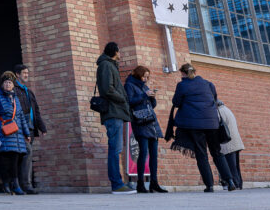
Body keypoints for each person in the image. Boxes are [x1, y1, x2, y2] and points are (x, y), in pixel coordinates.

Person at [165, 62, 236, 192]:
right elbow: (214, 99)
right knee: (217, 152)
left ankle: (209, 185)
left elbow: (176, 102)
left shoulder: (182, 85)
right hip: (212, 124)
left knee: (201, 154)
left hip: (195, 125)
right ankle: (230, 181)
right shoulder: (209, 84)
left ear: (183, 73)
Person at [95, 41, 134, 194]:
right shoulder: (106, 65)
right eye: (119, 51)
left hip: (116, 112)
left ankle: (118, 183)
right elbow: (107, 89)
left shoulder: (110, 65)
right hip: (113, 112)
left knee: (116, 149)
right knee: (115, 149)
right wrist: (123, 99)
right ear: (115, 52)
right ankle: (117, 184)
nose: (120, 54)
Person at [124, 65, 167, 193]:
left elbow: (152, 105)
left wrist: (152, 98)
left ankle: (154, 183)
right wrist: (144, 95)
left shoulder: (145, 87)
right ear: (138, 75)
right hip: (140, 122)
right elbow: (129, 102)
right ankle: (140, 184)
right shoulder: (129, 85)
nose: (146, 79)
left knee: (154, 155)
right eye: (144, 76)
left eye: (147, 77)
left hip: (151, 123)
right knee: (143, 153)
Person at [0, 71, 30, 194]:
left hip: (17, 133)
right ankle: (9, 183)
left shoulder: (16, 99)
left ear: (13, 85)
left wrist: (27, 133)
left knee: (17, 159)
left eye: (10, 83)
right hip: (4, 133)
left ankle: (12, 183)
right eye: (5, 82)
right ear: (2, 84)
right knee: (6, 160)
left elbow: (21, 117)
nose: (7, 84)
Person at [11, 64, 46, 194]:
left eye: (27, 73)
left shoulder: (29, 91)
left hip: (30, 127)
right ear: (17, 74)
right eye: (24, 73)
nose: (26, 75)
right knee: (26, 153)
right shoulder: (13, 89)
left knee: (26, 155)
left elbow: (36, 111)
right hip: (19, 128)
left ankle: (22, 185)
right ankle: (25, 185)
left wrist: (42, 127)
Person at [217, 100, 244, 189]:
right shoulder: (227, 110)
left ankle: (235, 184)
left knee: (231, 166)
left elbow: (216, 127)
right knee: (236, 166)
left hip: (228, 143)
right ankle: (239, 184)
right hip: (235, 142)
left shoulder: (219, 112)